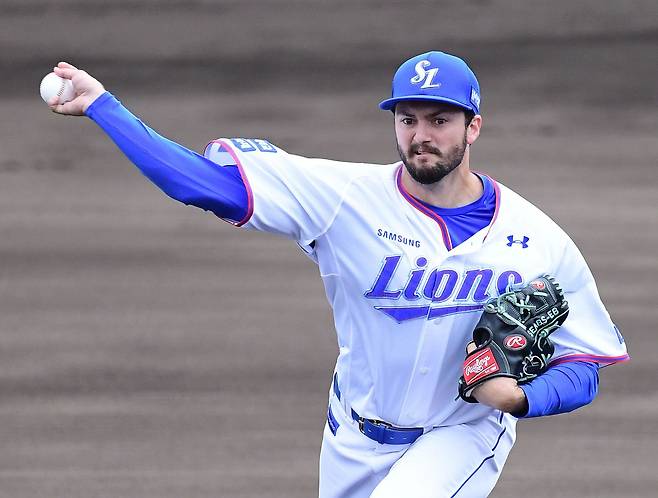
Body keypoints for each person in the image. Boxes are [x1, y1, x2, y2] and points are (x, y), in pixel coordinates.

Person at [48, 52, 628, 497]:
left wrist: (523, 398)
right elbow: (201, 185)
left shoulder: (538, 241)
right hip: (352, 434)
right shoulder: (342, 198)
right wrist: (105, 107)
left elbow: (586, 365)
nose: (421, 134)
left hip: (459, 434)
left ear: (474, 126)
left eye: (440, 119)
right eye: (408, 118)